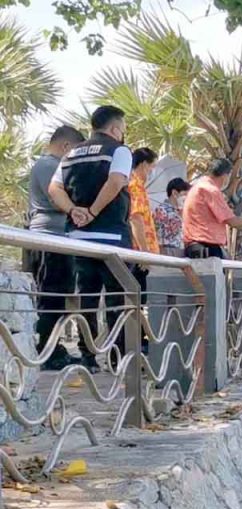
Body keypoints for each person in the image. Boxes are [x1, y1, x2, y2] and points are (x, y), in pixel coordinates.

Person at [48, 105, 133, 374]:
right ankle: (119, 357)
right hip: (111, 237)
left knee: (87, 298)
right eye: (123, 129)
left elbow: (54, 188)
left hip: (79, 238)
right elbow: (116, 181)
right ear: (115, 129)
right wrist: (94, 212)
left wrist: (74, 210)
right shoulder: (119, 151)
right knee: (118, 299)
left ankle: (88, 357)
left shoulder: (71, 153)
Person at [26, 125, 86, 370]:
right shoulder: (48, 165)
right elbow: (57, 197)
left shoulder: (53, 165)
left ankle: (54, 346)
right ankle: (46, 350)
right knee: (50, 296)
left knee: (59, 296)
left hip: (60, 238)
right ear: (66, 146)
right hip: (48, 238)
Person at [182, 158, 242, 259]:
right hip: (206, 248)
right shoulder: (210, 190)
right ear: (225, 176)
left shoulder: (197, 188)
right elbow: (232, 221)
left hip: (195, 246)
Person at [154, 177, 190, 257]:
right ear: (174, 193)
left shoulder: (181, 211)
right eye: (184, 194)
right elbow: (161, 235)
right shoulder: (161, 210)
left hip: (181, 250)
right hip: (167, 251)